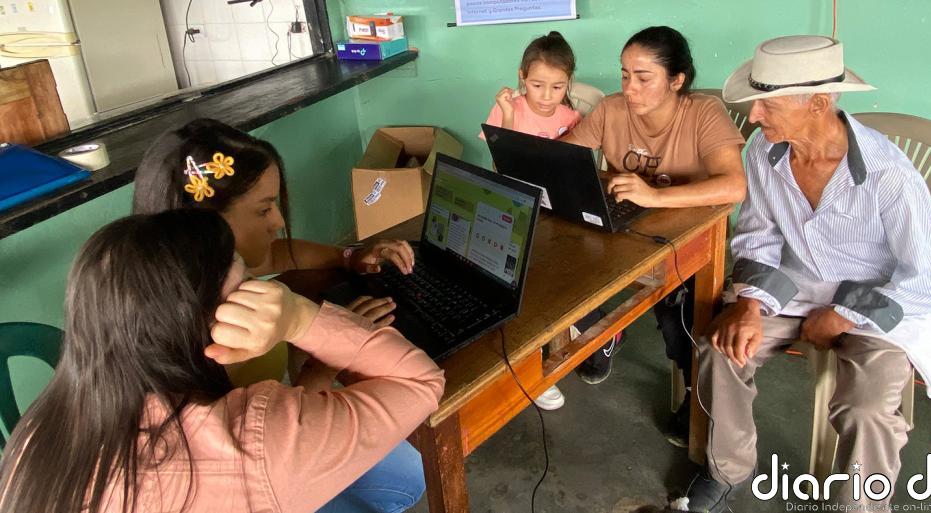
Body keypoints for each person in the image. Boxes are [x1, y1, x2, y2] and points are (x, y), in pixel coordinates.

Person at [0, 209, 445, 513]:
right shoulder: (252, 443)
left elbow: (284, 255)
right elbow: (421, 383)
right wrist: (299, 317)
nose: (278, 221)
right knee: (409, 470)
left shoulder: (38, 431)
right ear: (207, 319)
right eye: (244, 283)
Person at [672, 35, 931, 512]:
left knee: (866, 411)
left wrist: (843, 316)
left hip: (878, 302)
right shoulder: (765, 151)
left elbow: (929, 281)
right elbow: (758, 236)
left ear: (819, 103)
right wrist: (749, 304)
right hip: (794, 286)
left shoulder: (889, 176)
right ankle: (729, 470)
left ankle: (860, 506)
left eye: (766, 105)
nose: (754, 116)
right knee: (722, 351)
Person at [132, 120, 431, 512]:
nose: (278, 222)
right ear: (207, 223)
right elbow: (257, 443)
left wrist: (349, 257)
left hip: (261, 441)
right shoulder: (189, 335)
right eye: (264, 209)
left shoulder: (187, 271)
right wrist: (326, 357)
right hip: (238, 484)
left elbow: (276, 255)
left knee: (408, 473)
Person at [561, 26, 746, 445]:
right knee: (558, 268)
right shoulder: (610, 110)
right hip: (623, 229)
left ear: (676, 80)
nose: (630, 87)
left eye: (644, 77)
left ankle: (695, 397)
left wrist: (655, 196)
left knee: (680, 318)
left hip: (686, 238)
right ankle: (603, 332)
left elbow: (734, 186)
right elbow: (564, 156)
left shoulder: (703, 113)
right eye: (625, 74)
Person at [481, 31, 583, 410]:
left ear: (568, 83)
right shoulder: (509, 110)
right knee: (523, 286)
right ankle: (532, 371)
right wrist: (508, 115)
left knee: (561, 276)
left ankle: (563, 329)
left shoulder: (572, 116)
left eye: (557, 87)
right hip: (513, 209)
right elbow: (499, 166)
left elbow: (575, 172)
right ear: (522, 76)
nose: (545, 96)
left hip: (554, 212)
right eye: (537, 85)